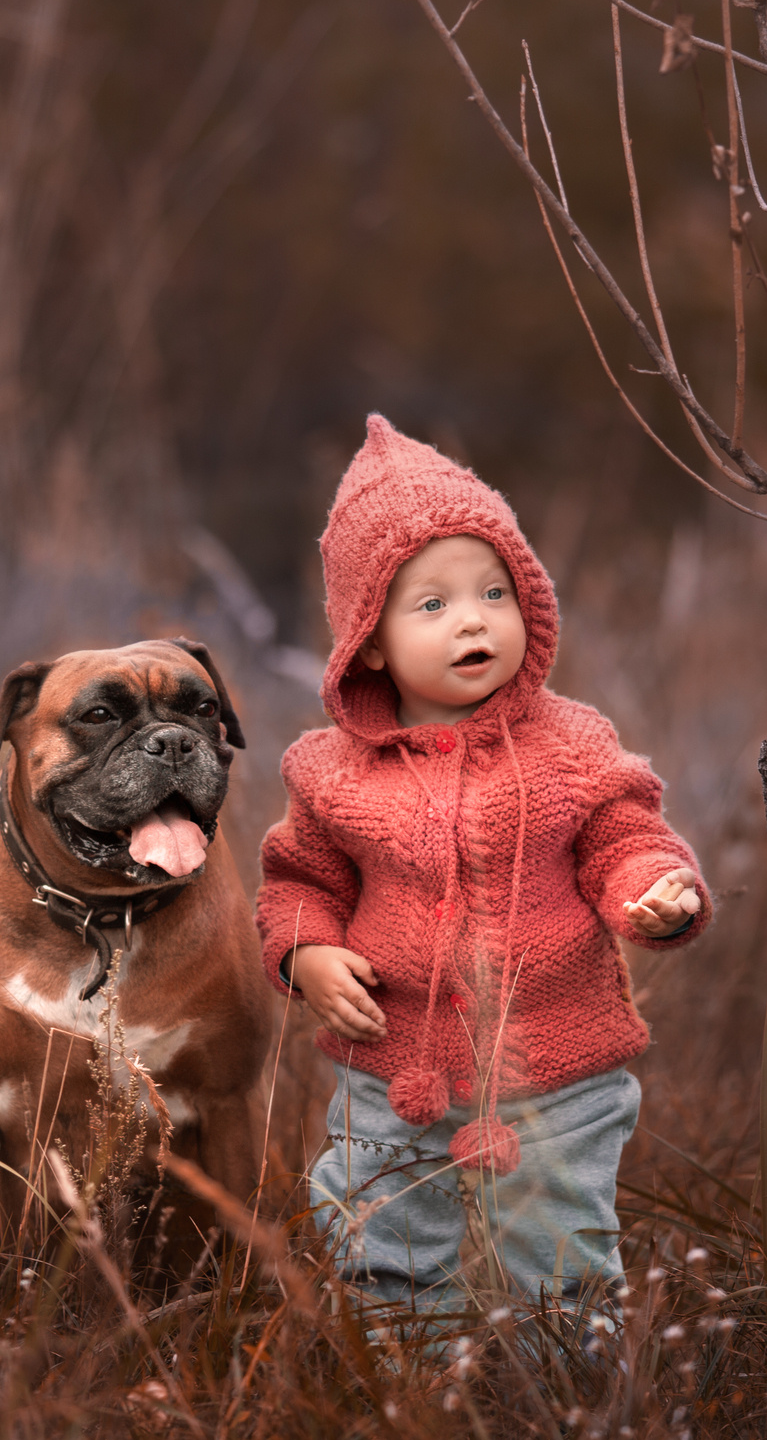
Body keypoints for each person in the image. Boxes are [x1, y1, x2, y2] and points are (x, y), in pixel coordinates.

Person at [258, 414, 710, 1332]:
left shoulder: (570, 741)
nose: (473, 618)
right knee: (378, 1241)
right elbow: (299, 880)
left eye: (495, 591)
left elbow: (622, 834)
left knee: (561, 1264)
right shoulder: (330, 770)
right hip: (394, 1063)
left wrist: (653, 888)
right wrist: (306, 953)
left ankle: (574, 1408)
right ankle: (406, 1391)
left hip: (556, 1063)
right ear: (369, 641)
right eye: (432, 604)